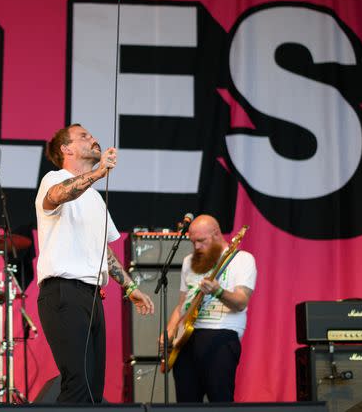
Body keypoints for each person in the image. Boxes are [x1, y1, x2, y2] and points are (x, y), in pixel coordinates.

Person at [35, 123, 155, 403]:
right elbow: (57, 196)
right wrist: (98, 172)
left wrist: (130, 287)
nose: (94, 139)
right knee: (77, 384)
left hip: (91, 296)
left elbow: (104, 250)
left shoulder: (96, 200)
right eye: (84, 136)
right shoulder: (53, 178)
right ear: (67, 149)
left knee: (92, 389)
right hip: (63, 291)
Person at [162, 214, 256, 402]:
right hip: (186, 339)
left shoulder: (242, 259)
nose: (197, 247)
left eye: (201, 241)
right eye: (193, 241)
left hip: (220, 335)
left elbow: (241, 302)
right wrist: (170, 330)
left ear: (216, 234)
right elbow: (182, 304)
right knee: (186, 402)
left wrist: (219, 292)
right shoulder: (190, 261)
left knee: (220, 400)